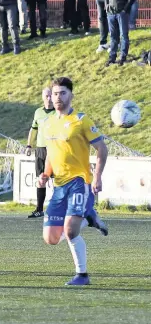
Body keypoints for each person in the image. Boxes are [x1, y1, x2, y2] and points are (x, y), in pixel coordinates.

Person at [38, 77, 108, 286]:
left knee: (70, 231)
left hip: (79, 181)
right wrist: (45, 174)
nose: (57, 98)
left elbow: (102, 149)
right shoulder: (48, 124)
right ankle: (89, 218)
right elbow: (51, 153)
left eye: (62, 93)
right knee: (50, 238)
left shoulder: (81, 120)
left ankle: (82, 275)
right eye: (55, 94)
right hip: (59, 185)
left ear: (71, 95)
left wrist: (97, 177)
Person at [25, 88, 55, 218]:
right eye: (46, 96)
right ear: (43, 97)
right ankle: (39, 209)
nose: (49, 98)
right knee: (40, 179)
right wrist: (29, 145)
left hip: (54, 149)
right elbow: (33, 130)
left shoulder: (58, 112)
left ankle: (57, 209)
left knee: (57, 180)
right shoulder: (38, 112)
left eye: (51, 96)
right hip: (40, 149)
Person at [105, 0, 137, 67]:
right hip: (111, 13)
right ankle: (112, 58)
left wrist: (125, 9)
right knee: (113, 36)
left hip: (122, 13)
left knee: (124, 35)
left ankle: (123, 57)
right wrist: (106, 5)